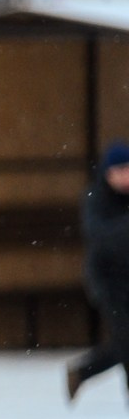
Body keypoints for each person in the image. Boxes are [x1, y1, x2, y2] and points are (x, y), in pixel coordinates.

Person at [64, 142, 129, 402]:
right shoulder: (95, 200)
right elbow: (102, 238)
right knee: (126, 339)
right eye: (119, 170)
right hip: (109, 284)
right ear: (107, 174)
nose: (125, 176)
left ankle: (82, 372)